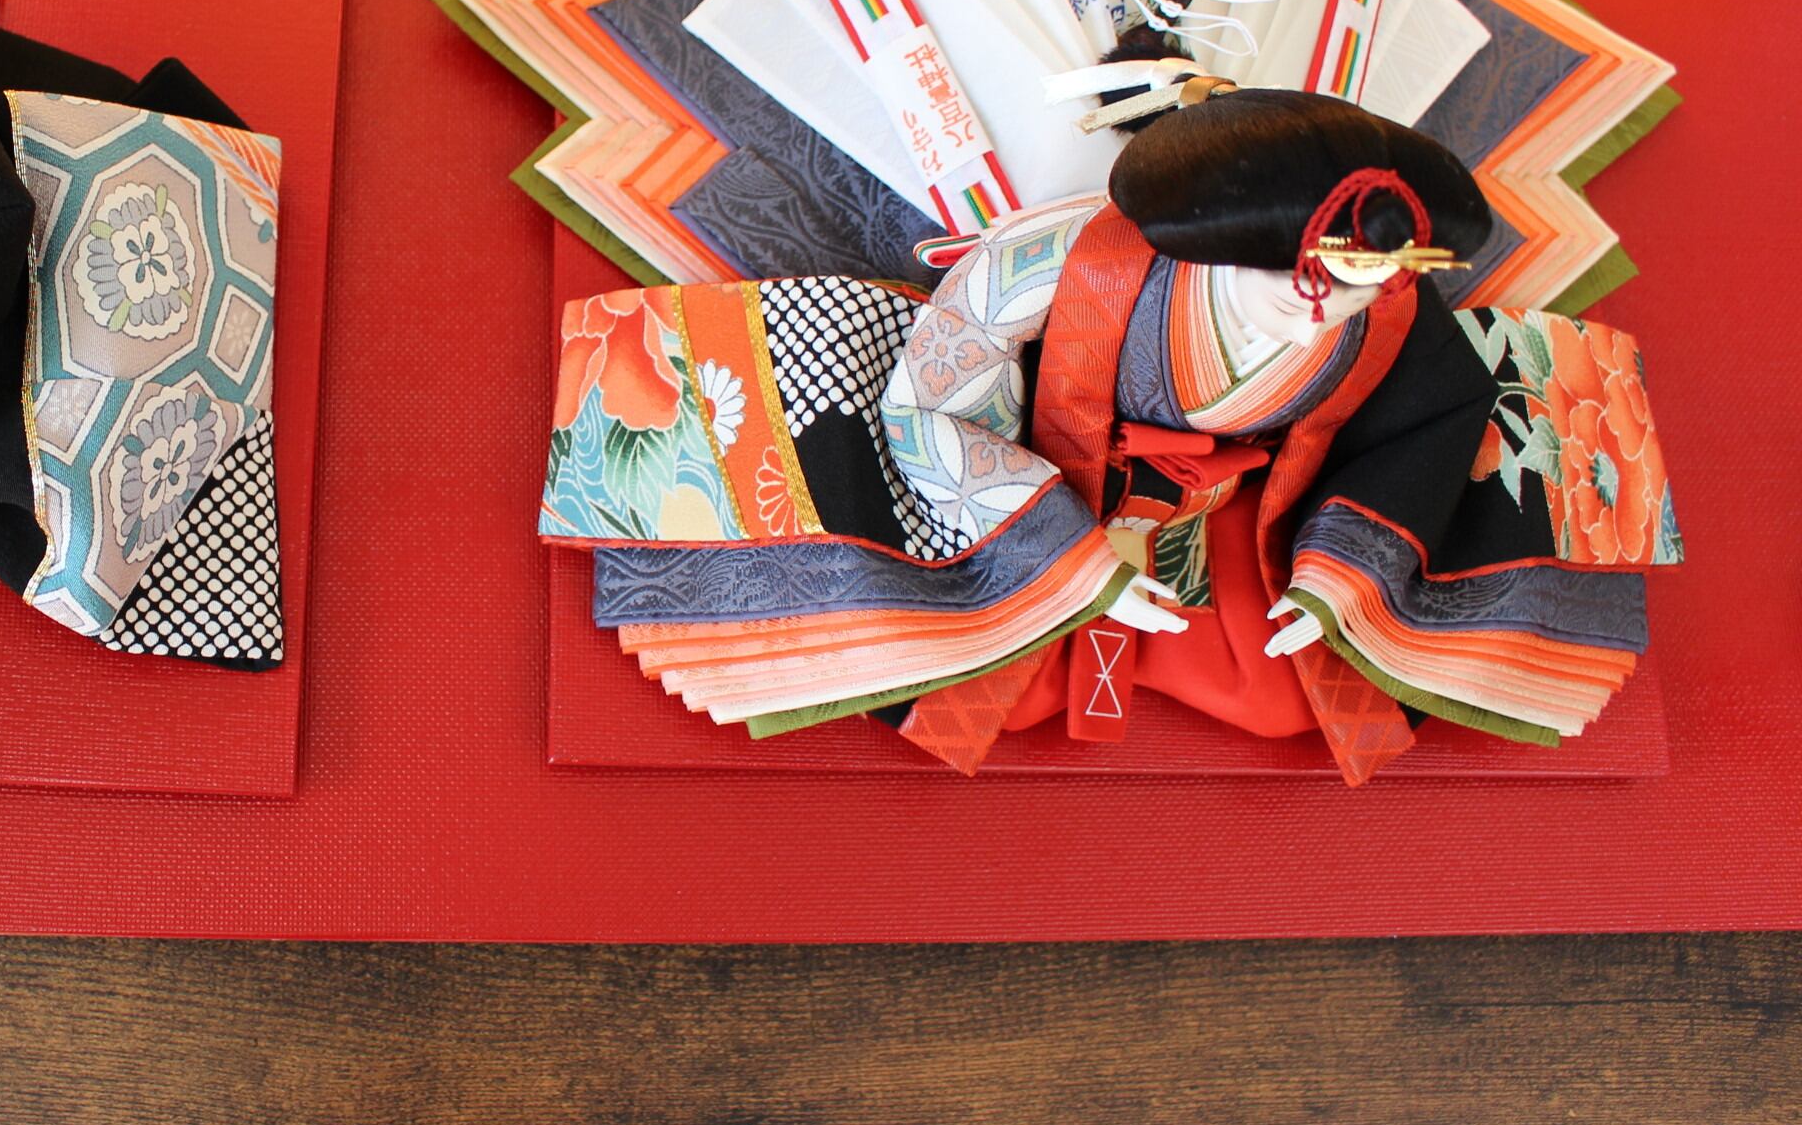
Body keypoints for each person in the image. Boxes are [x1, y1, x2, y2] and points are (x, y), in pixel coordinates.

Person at [543, 81, 1679, 781]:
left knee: (1284, 694)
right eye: (1307, 279)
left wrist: (1343, 573)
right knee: (971, 664)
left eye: (1366, 285)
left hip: (1238, 505)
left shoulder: (1385, 309)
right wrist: (1065, 557)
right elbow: (937, 396)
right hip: (1049, 470)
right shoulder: (1059, 255)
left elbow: (1433, 417)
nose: (1327, 309)